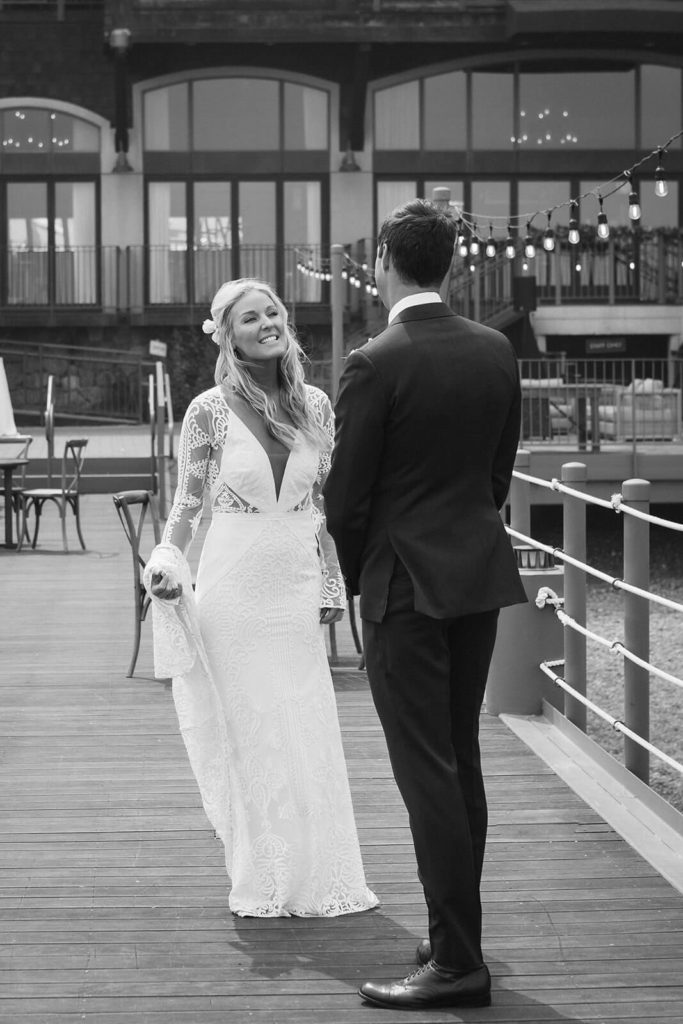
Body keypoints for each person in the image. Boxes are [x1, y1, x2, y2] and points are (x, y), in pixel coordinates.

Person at [323, 199, 526, 1008]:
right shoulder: (493, 349)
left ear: (382, 260)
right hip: (475, 572)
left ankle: (454, 965)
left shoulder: (375, 360)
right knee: (458, 759)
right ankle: (456, 940)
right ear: (450, 263)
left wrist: (357, 577)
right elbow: (498, 474)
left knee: (425, 772)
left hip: (403, 585)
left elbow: (346, 500)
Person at [144, 277, 378, 919]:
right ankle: (265, 873)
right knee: (250, 732)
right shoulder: (208, 411)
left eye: (272, 311)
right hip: (233, 587)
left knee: (305, 724)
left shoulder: (318, 407)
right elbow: (186, 507)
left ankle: (321, 873)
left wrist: (333, 578)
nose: (267, 322)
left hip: (296, 585)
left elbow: (325, 505)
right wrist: (165, 563)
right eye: (250, 317)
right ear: (229, 337)